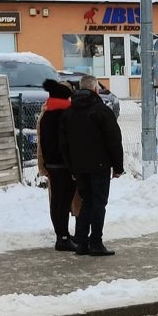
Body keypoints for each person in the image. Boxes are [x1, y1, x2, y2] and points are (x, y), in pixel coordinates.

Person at [59, 75, 123, 256]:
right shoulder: (101, 111)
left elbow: (63, 144)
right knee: (98, 203)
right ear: (96, 89)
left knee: (86, 202)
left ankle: (82, 243)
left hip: (79, 167)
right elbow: (114, 140)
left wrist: (71, 167)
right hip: (100, 165)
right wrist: (118, 167)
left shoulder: (69, 113)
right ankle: (96, 242)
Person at [37, 80, 78, 252]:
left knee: (56, 201)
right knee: (64, 202)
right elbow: (70, 142)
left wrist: (44, 163)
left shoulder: (46, 115)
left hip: (52, 164)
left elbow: (42, 143)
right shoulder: (67, 115)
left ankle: (62, 235)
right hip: (65, 165)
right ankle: (63, 237)